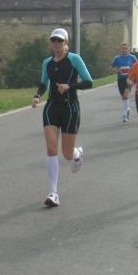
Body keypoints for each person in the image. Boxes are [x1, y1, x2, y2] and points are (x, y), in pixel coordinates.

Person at [32, 27, 93, 207]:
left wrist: (69, 86)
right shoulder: (47, 62)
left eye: (60, 40)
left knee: (66, 154)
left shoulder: (74, 59)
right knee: (51, 148)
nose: (56, 43)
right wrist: (37, 96)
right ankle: (53, 193)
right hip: (52, 107)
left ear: (66, 42)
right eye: (54, 40)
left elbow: (89, 82)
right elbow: (43, 83)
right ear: (50, 42)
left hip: (70, 107)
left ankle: (77, 154)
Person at [111, 41, 137, 122]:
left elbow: (137, 67)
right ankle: (127, 108)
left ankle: (125, 114)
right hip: (121, 79)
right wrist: (116, 70)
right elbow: (112, 68)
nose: (124, 50)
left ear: (129, 49)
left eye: (126, 48)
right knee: (123, 97)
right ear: (120, 49)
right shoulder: (117, 58)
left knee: (126, 95)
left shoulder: (132, 58)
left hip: (129, 79)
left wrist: (134, 75)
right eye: (123, 48)